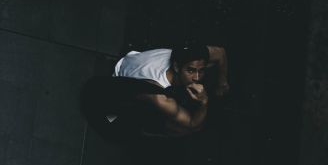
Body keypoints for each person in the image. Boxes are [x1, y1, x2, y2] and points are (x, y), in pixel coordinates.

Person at [86, 44, 228, 139]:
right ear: (177, 67)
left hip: (130, 61)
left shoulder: (184, 55)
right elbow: (192, 123)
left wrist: (222, 83)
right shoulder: (160, 97)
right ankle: (146, 134)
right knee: (183, 129)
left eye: (201, 70)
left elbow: (220, 53)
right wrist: (204, 102)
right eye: (191, 70)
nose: (197, 78)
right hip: (120, 83)